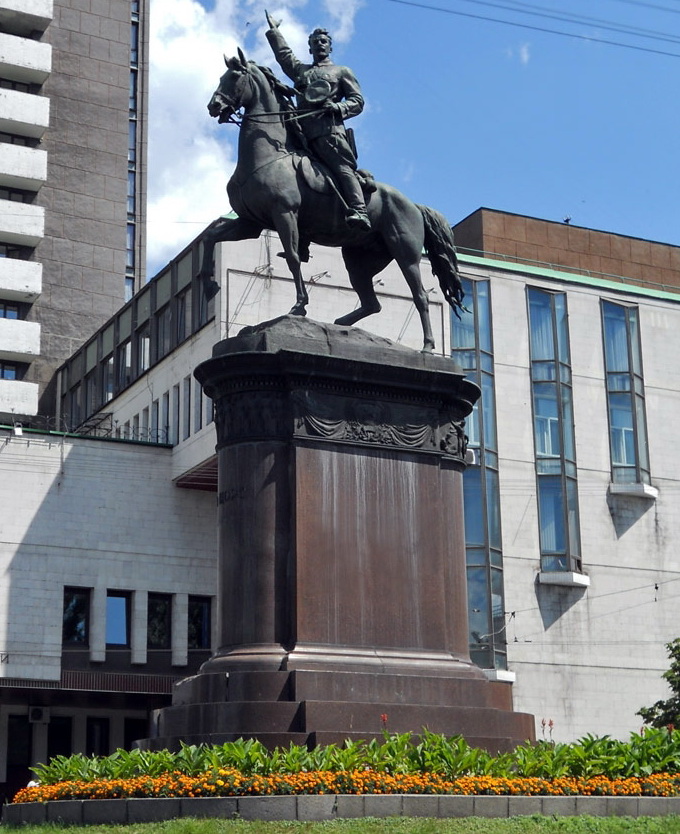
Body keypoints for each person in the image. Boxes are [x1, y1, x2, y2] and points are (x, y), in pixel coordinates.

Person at [265, 11, 371, 231]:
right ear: (310, 47)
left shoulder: (341, 71)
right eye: (315, 42)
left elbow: (357, 101)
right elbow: (284, 55)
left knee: (341, 168)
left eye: (324, 42)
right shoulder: (301, 71)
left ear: (330, 47)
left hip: (328, 134)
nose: (320, 45)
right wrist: (274, 31)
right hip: (299, 133)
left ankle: (360, 210)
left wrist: (338, 107)